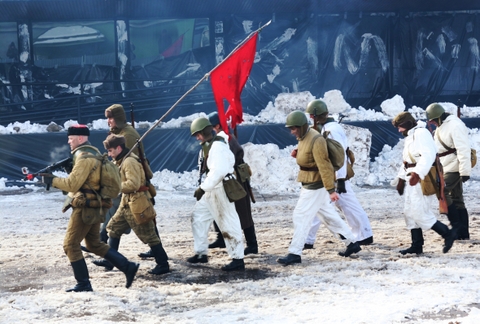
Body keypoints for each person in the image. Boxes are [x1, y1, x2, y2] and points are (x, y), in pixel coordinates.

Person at [39, 125, 139, 292]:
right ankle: (127, 267)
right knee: (93, 244)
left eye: (71, 139)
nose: (68, 142)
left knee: (70, 245)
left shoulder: (84, 158)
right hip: (94, 206)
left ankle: (83, 283)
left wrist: (52, 180)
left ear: (80, 138)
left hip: (85, 207)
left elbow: (72, 184)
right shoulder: (93, 153)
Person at [277, 111, 361, 266]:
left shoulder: (316, 140)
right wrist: (299, 153)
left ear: (301, 127)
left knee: (301, 216)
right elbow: (309, 156)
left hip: (315, 186)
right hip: (310, 184)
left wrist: (331, 190)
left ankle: (295, 252)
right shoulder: (304, 137)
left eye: (294, 128)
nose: (292, 131)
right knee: (328, 216)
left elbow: (325, 166)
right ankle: (351, 243)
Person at [92, 134, 170, 275]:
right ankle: (110, 261)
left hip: (137, 203)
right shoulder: (121, 160)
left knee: (150, 235)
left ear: (119, 148)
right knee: (113, 228)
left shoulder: (129, 162)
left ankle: (163, 264)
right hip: (126, 202)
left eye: (110, 151)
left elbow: (134, 184)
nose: (109, 154)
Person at [303, 99, 374, 249]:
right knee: (342, 205)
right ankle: (364, 234)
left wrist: (340, 179)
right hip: (333, 175)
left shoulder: (331, 130)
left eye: (311, 116)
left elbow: (339, 156)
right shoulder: (327, 128)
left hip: (335, 175)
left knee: (320, 206)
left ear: (316, 116)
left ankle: (306, 239)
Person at [391, 112, 455, 254]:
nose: (399, 130)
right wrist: (401, 179)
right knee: (409, 212)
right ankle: (416, 246)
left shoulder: (421, 133)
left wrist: (417, 174)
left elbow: (428, 155)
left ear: (407, 124)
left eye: (400, 126)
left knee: (419, 212)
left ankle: (447, 234)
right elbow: (408, 161)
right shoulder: (411, 135)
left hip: (422, 179)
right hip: (411, 178)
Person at [188, 117, 245, 271]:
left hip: (220, 188)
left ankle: (238, 259)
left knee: (228, 223)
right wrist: (205, 188)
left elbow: (218, 171)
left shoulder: (218, 146)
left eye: (198, 134)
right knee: (198, 217)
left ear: (205, 131)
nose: (197, 138)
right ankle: (201, 253)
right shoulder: (210, 146)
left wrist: (203, 188)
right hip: (211, 189)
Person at [101, 104, 156, 258]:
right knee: (117, 224)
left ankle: (102, 241)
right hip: (126, 183)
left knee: (144, 218)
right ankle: (106, 248)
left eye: (111, 118)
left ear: (117, 118)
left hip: (133, 182)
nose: (109, 121)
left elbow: (126, 161)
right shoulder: (119, 132)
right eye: (108, 118)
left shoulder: (128, 135)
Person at [206, 112, 258, 255]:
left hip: (236, 179)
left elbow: (230, 159)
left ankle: (252, 245)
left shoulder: (226, 138)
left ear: (216, 126)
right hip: (231, 177)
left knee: (243, 212)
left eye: (211, 127)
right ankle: (221, 238)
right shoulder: (224, 136)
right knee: (218, 206)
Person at [426, 103, 473, 240]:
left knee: (442, 190)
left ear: (439, 117)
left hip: (454, 166)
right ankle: (463, 233)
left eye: (434, 120)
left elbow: (463, 148)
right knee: (457, 199)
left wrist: (465, 171)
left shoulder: (455, 125)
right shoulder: (443, 126)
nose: (433, 123)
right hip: (446, 165)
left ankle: (456, 226)